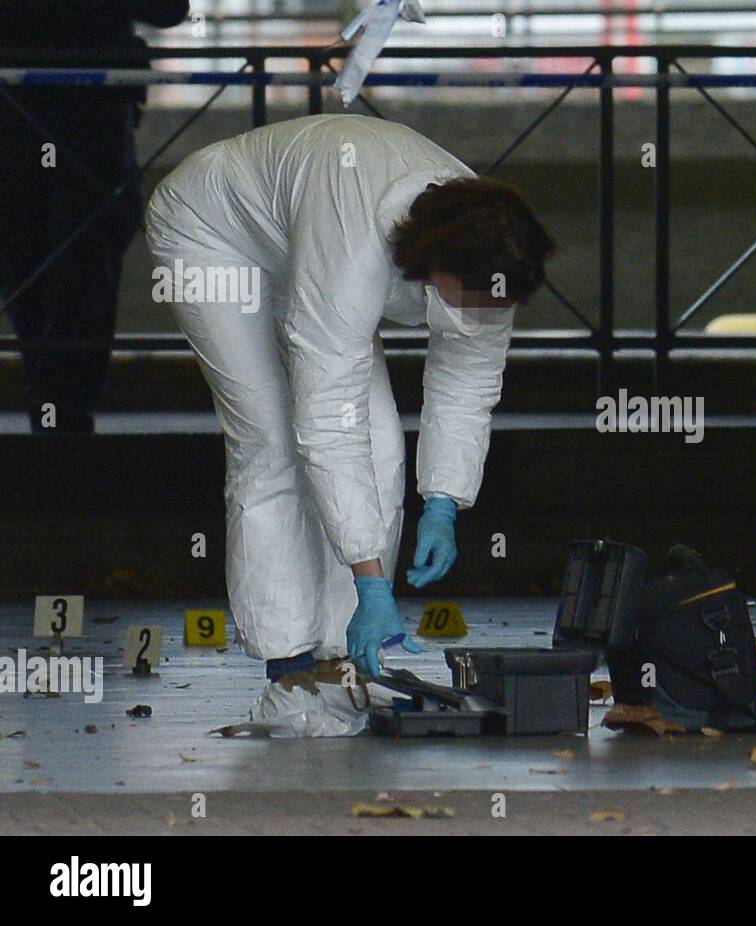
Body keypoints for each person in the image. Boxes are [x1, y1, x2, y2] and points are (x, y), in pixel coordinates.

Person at [145, 114, 554, 734]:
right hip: (214, 235)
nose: (483, 317)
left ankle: (343, 665)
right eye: (472, 304)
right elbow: (327, 418)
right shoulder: (359, 246)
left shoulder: (494, 249)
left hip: (302, 234)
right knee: (275, 441)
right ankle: (289, 672)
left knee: (382, 443)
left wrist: (443, 498)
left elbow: (468, 386)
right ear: (428, 266)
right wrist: (371, 578)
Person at [0, 0, 191, 433]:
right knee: (67, 271)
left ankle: (55, 410)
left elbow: (170, 10)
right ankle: (60, 412)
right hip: (83, 110)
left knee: (55, 270)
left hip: (46, 109)